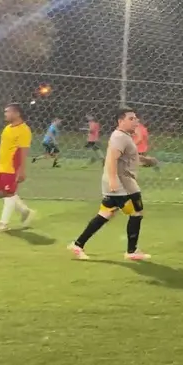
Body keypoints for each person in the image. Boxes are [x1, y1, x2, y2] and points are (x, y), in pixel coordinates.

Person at [67, 108, 151, 261]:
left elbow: (125, 158)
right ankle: (131, 251)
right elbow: (112, 158)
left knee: (105, 214)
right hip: (121, 186)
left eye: (136, 118)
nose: (136, 121)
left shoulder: (124, 136)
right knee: (136, 213)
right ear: (121, 121)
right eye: (131, 118)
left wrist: (145, 160)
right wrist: (113, 180)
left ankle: (77, 244)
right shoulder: (120, 137)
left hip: (119, 184)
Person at [0, 103, 34, 232]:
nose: (5, 114)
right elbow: (3, 147)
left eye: (8, 112)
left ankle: (3, 223)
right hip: (2, 165)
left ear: (17, 114)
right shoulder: (7, 128)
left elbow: (23, 151)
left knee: (9, 194)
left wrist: (22, 170)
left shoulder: (24, 130)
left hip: (12, 167)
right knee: (0, 193)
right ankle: (25, 211)